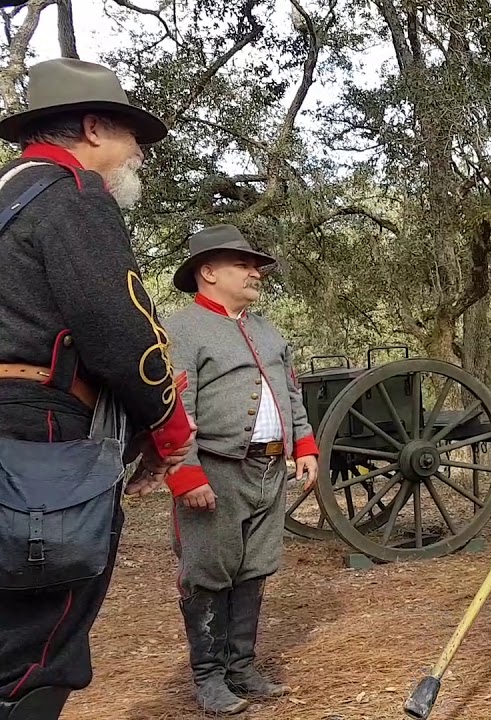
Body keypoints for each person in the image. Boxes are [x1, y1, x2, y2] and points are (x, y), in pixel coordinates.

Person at [0, 58, 195, 718]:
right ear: (91, 126)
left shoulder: (6, 196)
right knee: (34, 648)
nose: (137, 152)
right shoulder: (74, 198)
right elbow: (124, 338)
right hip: (37, 441)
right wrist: (165, 433)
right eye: (130, 135)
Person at [163, 224, 321, 714]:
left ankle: (241, 667)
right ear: (208, 272)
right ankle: (208, 677)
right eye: (243, 265)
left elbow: (292, 393)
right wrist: (185, 474)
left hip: (270, 470)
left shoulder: (267, 330)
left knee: (254, 567)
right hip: (215, 469)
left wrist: (305, 446)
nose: (256, 273)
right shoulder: (180, 328)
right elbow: (174, 404)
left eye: (256, 266)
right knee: (208, 571)